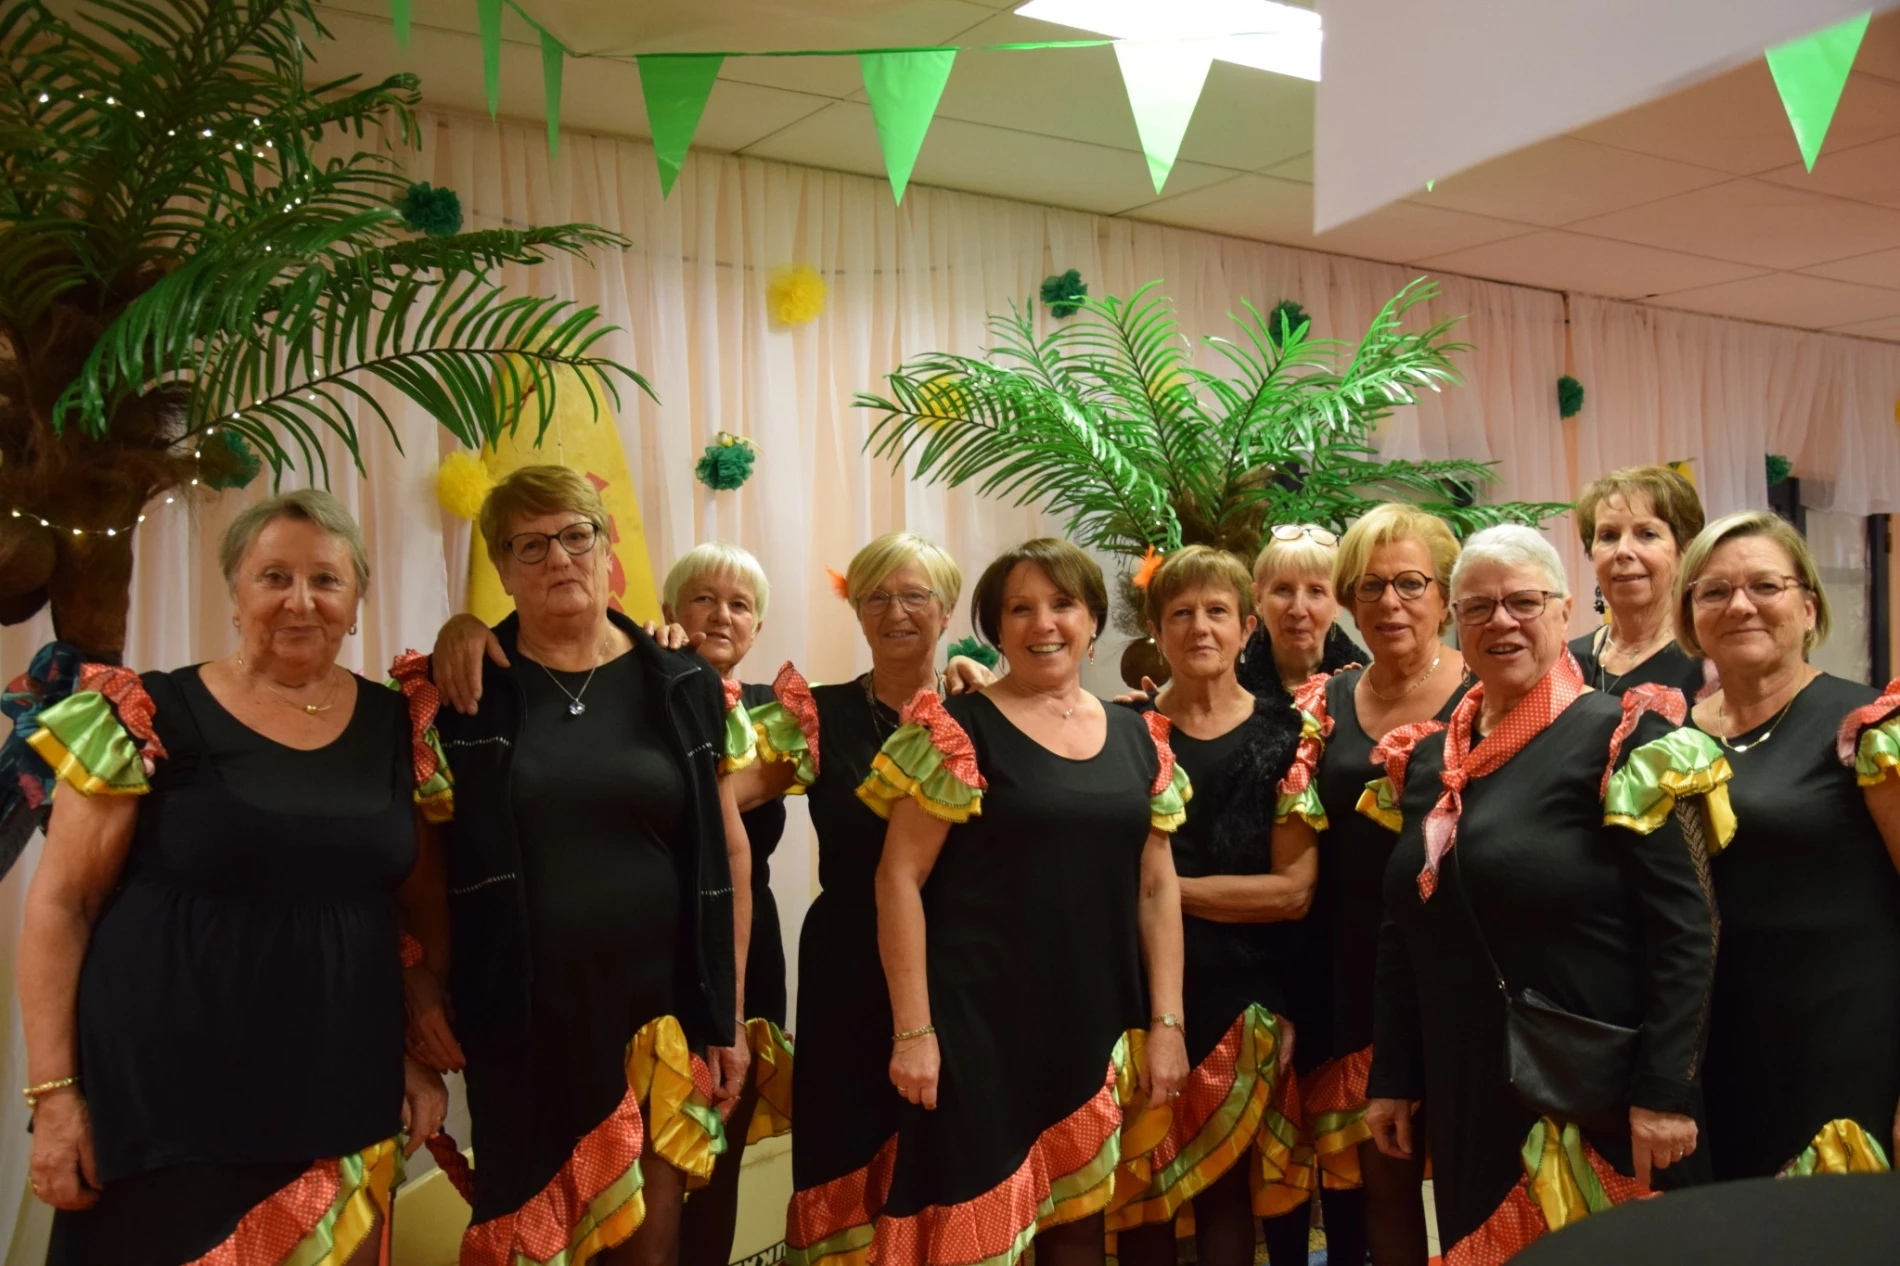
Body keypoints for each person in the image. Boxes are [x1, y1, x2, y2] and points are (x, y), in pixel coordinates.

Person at [18, 490, 447, 1266]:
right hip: (166, 1102)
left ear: (356, 603)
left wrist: (411, 1049)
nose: (300, 600)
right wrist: (55, 1099)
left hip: (342, 1083)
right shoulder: (148, 711)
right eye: (273, 576)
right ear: (235, 592)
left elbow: (407, 908)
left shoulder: (398, 726)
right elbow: (62, 905)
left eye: (326, 580)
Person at [392, 465, 752, 1266]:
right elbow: (422, 869)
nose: (558, 557)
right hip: (523, 1020)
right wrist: (420, 983)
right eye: (530, 545)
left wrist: (726, 1014)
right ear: (502, 567)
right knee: (534, 1245)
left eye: (575, 536)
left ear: (606, 544)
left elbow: (729, 853)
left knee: (649, 1249)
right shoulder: (463, 692)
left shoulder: (682, 681)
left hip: (658, 1018)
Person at [1364, 525, 1725, 1265]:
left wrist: (1665, 1091)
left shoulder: (1624, 739)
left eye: (1523, 602)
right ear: (1454, 622)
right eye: (1478, 607)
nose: (1501, 622)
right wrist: (1394, 1075)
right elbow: (1405, 928)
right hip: (1469, 1092)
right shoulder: (1430, 760)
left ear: (1564, 611)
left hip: (1595, 1094)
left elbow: (1690, 931)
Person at [866, 537, 1190, 1266]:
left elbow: (1155, 885)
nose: (1043, 623)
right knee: (974, 1235)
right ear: (995, 628)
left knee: (1078, 1233)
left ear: (1093, 619)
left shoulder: (1139, 736)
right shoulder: (956, 731)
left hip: (1095, 1018)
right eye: (1020, 609)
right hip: (978, 1029)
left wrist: (1167, 1021)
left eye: (1062, 604)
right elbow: (898, 879)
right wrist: (914, 1032)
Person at [725, 531, 989, 1266]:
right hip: (847, 962)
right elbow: (725, 796)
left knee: (955, 1153)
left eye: (915, 596)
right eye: (875, 597)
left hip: (963, 965)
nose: (895, 612)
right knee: (846, 1144)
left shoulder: (983, 711)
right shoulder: (819, 713)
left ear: (947, 611)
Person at [1108, 546, 1316, 1266]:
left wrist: (1161, 895)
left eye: (1217, 611)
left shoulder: (1288, 735)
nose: (1200, 627)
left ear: (1247, 628)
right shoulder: (1122, 733)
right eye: (1181, 613)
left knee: (1224, 1191)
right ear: (1156, 631)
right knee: (1140, 1192)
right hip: (1133, 991)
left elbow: (1292, 893)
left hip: (1243, 994)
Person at [1678, 510, 1900, 1178]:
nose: (1740, 605)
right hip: (1709, 1057)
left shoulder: (1869, 728)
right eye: (1715, 591)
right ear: (1691, 616)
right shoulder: (1668, 737)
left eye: (1765, 586)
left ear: (1808, 608)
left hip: (1844, 1050)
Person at [1279, 503, 1469, 1266]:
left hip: (1460, 973)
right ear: (1350, 605)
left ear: (1445, 597)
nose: (1390, 602)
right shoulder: (1323, 703)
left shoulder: (1486, 693)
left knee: (1472, 1181)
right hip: (1354, 974)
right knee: (1381, 1186)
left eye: (1410, 583)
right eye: (1370, 586)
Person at [1570, 465, 1707, 699]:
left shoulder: (1710, 660)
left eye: (1647, 534)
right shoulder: (1568, 662)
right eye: (1608, 536)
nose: (1623, 551)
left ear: (1685, 551)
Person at [1236, 524, 1366, 702]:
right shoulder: (1227, 678)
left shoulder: (1363, 686)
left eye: (1316, 591)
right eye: (1283, 589)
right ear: (1258, 598)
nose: (1298, 610)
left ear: (1338, 604)